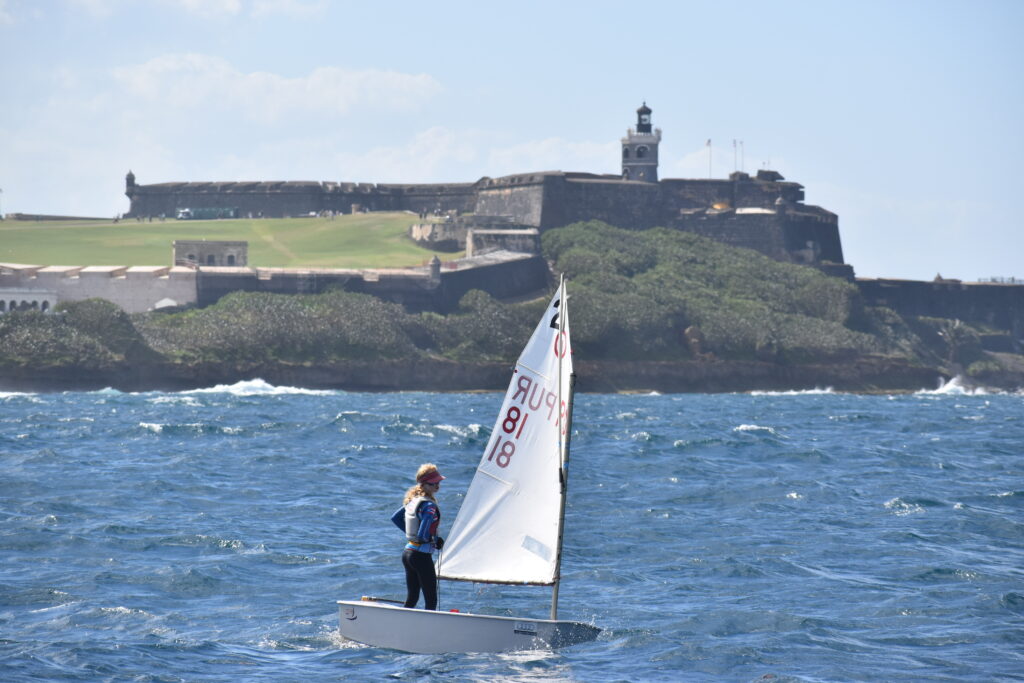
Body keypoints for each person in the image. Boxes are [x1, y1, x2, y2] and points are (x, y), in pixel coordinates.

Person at [392, 463, 445, 610]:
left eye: (438, 482)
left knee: (412, 597)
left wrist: (411, 535)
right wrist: (434, 540)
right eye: (433, 483)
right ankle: (429, 631)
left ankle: (400, 626)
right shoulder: (429, 506)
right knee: (431, 600)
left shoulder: (413, 501)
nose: (437, 486)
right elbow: (423, 535)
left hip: (408, 553)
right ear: (424, 484)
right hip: (421, 556)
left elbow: (395, 518)